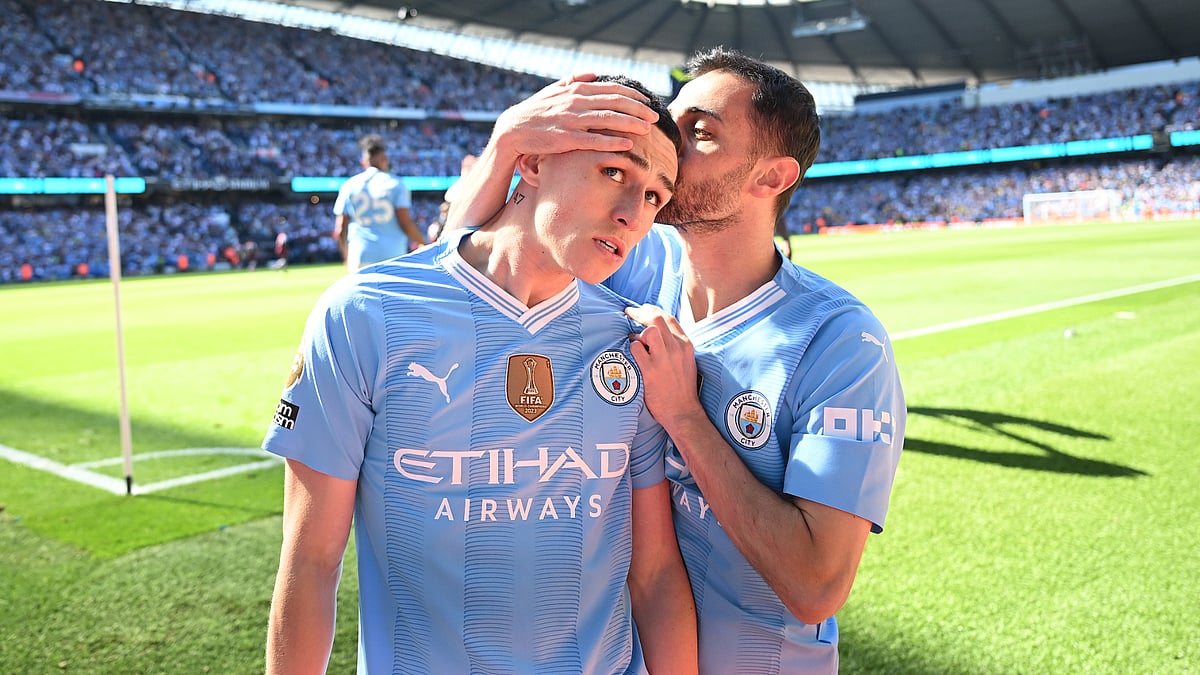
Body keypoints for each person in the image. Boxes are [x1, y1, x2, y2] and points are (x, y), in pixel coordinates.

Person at [447, 48, 906, 673]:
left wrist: (685, 416)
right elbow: (464, 274)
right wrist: (508, 143)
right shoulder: (631, 264)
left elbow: (815, 587)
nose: (669, 141)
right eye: (673, 118)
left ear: (772, 177)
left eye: (700, 132)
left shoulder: (840, 343)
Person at [262, 75, 698, 674]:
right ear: (533, 162)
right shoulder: (365, 315)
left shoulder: (631, 341)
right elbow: (310, 562)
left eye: (653, 196)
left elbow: (655, 573)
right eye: (614, 172)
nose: (632, 215)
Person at [333, 134, 428, 272]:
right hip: (392, 254)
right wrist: (423, 242)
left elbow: (340, 228)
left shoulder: (349, 185)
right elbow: (405, 223)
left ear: (364, 161)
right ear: (385, 160)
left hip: (361, 254)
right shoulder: (395, 183)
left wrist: (347, 256)